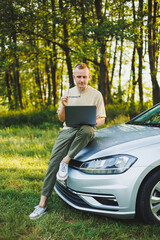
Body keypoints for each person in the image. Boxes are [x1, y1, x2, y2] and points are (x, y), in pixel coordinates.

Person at [29, 63, 106, 220]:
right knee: (52, 163)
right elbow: (61, 119)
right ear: (74, 77)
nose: (82, 80)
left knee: (87, 130)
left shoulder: (96, 94)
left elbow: (102, 119)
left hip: (86, 129)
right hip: (68, 129)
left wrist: (92, 122)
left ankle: (66, 160)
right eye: (79, 77)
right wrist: (64, 106)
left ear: (89, 77)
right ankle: (42, 204)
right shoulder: (67, 93)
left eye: (84, 77)